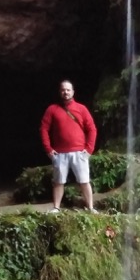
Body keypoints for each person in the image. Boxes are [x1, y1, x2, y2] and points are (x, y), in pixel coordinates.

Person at [39, 80, 98, 212]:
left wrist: (89, 149)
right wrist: (48, 149)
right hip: (59, 153)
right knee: (58, 182)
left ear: (73, 92)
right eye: (63, 90)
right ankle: (56, 208)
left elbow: (92, 129)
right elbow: (43, 129)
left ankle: (90, 207)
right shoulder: (52, 109)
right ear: (60, 92)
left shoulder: (81, 109)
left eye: (68, 90)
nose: (65, 92)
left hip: (80, 152)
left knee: (84, 181)